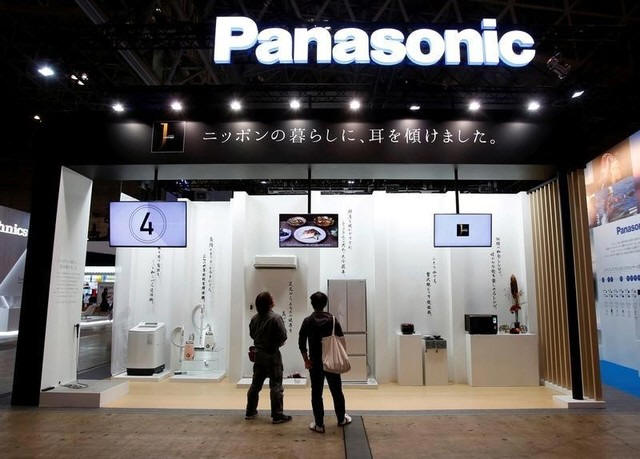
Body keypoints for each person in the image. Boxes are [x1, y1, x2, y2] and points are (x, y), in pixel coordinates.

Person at [299, 291, 351, 433]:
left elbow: (301, 342)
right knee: (336, 391)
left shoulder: (307, 321)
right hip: (331, 360)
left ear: (312, 304)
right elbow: (341, 339)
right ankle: (341, 419)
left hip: (315, 363)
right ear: (325, 304)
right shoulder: (332, 320)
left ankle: (319, 425)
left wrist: (306, 360)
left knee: (316, 393)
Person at [245, 291, 292, 424]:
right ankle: (277, 415)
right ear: (269, 303)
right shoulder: (276, 318)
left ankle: (250, 411)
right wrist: (276, 343)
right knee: (276, 385)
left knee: (255, 385)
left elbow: (252, 334)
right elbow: (283, 336)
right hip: (272, 355)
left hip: (259, 355)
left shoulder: (254, 319)